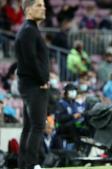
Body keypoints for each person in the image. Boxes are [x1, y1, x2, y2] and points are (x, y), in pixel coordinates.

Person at [15, 0, 49, 169]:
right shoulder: (29, 31)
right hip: (34, 85)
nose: (43, 8)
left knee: (28, 126)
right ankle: (32, 164)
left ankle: (24, 164)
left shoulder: (29, 30)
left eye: (43, 5)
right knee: (37, 126)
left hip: (29, 84)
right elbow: (31, 60)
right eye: (38, 5)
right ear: (28, 10)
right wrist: (42, 80)